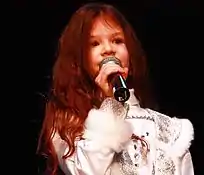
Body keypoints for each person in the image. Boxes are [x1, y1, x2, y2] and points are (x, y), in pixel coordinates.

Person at [37, 2, 194, 175]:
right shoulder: (67, 127)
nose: (108, 49)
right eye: (95, 43)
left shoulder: (172, 130)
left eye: (117, 40)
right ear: (78, 60)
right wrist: (109, 105)